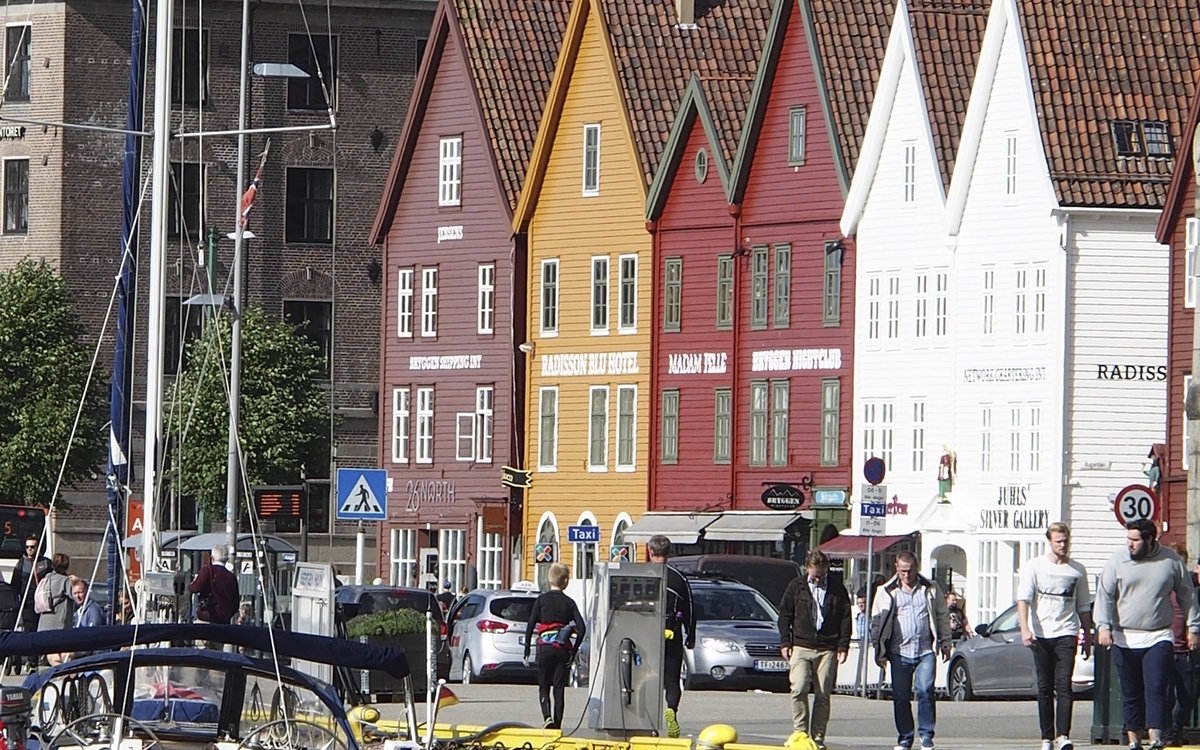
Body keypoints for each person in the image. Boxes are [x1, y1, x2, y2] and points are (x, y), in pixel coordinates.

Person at [1096, 519, 1199, 750]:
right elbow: (1104, 595)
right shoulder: (1117, 561)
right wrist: (1103, 626)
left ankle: (1155, 738)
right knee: (1131, 691)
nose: (1129, 544)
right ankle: (1134, 739)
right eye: (1128, 539)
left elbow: (1187, 595)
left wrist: (1194, 627)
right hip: (1124, 636)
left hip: (1158, 635)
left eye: (1135, 540)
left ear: (1150, 539)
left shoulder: (1170, 561)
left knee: (1156, 688)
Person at [1017, 522, 1093, 750]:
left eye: (1066, 541)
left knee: (1064, 685)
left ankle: (1063, 735)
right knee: (1044, 686)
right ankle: (1046, 737)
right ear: (1049, 541)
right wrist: (1025, 628)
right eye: (1058, 541)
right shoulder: (1035, 567)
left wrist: (1087, 635)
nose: (1063, 545)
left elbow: (1083, 606)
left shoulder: (1077, 570)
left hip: (1066, 632)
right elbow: (1023, 599)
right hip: (1041, 634)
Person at [870, 550, 951, 750]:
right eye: (903, 571)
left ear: (916, 568)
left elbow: (941, 614)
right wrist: (878, 649)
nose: (907, 575)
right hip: (899, 651)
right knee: (901, 695)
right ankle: (905, 737)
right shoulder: (886, 591)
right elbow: (876, 622)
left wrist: (946, 642)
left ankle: (926, 735)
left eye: (911, 571)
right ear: (897, 568)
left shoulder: (930, 588)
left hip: (925, 650)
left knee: (925, 690)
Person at [778, 550, 851, 750]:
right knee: (799, 687)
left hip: (827, 646)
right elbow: (785, 615)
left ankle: (818, 736)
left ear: (826, 570)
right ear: (807, 569)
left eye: (821, 575)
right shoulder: (797, 586)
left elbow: (845, 618)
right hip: (801, 644)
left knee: (823, 693)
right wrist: (786, 642)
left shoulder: (837, 589)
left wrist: (843, 646)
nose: (817, 579)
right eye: (814, 575)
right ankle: (800, 731)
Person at [522, 562, 585, 730]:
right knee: (559, 689)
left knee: (544, 686)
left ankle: (547, 717)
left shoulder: (541, 600)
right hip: (563, 649)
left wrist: (527, 648)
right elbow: (582, 628)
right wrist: (574, 650)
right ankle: (557, 724)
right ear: (564, 581)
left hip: (545, 648)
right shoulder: (569, 602)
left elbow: (530, 625)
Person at [647, 534, 695, 738]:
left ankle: (649, 723)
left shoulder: (643, 574)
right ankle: (671, 709)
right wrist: (690, 635)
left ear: (650, 551)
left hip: (645, 636)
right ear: (669, 552)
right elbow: (690, 608)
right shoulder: (679, 578)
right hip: (671, 635)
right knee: (671, 681)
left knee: (646, 680)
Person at [1165, 544, 1197, 747]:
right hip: (1164, 647)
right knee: (1165, 696)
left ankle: (1176, 729)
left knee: (1189, 695)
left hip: (1185, 650)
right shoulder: (1163, 586)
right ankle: (1169, 734)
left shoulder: (1188, 588)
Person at [10, 536, 50, 673]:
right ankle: (32, 661)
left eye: (32, 547)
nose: (29, 549)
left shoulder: (46, 563)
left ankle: (43, 657)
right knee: (30, 631)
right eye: (27, 547)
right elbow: (14, 585)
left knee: (44, 631)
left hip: (43, 603)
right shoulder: (21, 564)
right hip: (28, 604)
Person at [38, 554, 74, 667]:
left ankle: (57, 671)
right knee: (66, 655)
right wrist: (77, 581)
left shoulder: (46, 577)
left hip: (44, 622)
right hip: (60, 623)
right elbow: (75, 596)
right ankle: (64, 675)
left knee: (52, 654)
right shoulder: (65, 581)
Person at [188, 545, 239, 625]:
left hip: (206, 618)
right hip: (223, 621)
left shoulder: (207, 570)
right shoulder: (231, 577)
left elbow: (194, 588)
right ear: (226, 559)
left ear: (212, 558)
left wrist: (192, 583)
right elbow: (235, 604)